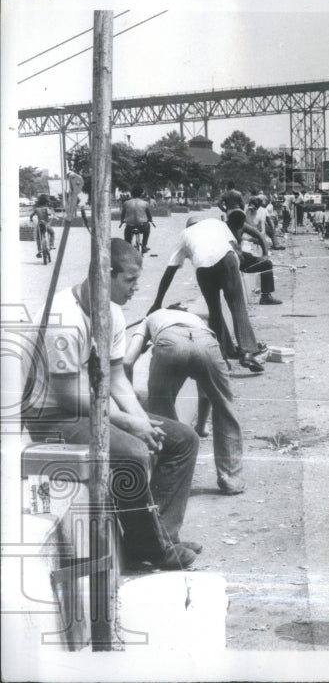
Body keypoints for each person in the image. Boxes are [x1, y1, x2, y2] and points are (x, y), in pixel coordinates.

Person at [22, 239, 200, 570]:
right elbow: (69, 397)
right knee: (132, 452)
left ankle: (163, 536)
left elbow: (117, 378)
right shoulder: (65, 318)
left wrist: (142, 422)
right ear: (106, 274)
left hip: (89, 407)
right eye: (130, 280)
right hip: (53, 417)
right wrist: (131, 425)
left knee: (182, 439)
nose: (136, 288)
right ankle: (151, 547)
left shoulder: (112, 313)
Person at [123, 305, 247, 495]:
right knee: (224, 407)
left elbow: (127, 361)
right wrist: (201, 426)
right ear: (183, 310)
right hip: (207, 344)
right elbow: (205, 389)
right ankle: (231, 478)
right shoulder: (196, 320)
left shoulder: (151, 317)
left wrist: (129, 396)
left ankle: (168, 480)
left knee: (161, 412)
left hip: (169, 343)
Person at [149, 216, 268, 373]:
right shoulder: (217, 223)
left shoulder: (184, 234)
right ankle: (247, 352)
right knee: (237, 305)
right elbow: (236, 249)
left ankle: (223, 357)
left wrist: (157, 302)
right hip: (226, 259)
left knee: (215, 311)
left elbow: (169, 272)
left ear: (188, 226)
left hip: (202, 267)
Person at [224, 209, 284, 306]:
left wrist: (265, 254)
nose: (239, 227)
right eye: (236, 225)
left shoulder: (242, 225)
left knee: (266, 263)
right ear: (230, 222)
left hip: (242, 259)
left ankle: (265, 297)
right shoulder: (224, 228)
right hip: (229, 260)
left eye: (240, 224)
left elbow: (260, 236)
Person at [119, 185, 155, 253]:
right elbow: (149, 215)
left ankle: (128, 247)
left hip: (130, 226)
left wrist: (121, 222)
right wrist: (150, 220)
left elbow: (122, 214)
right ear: (141, 194)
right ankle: (144, 246)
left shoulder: (126, 203)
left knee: (127, 235)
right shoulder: (145, 203)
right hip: (142, 226)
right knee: (147, 228)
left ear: (132, 193)